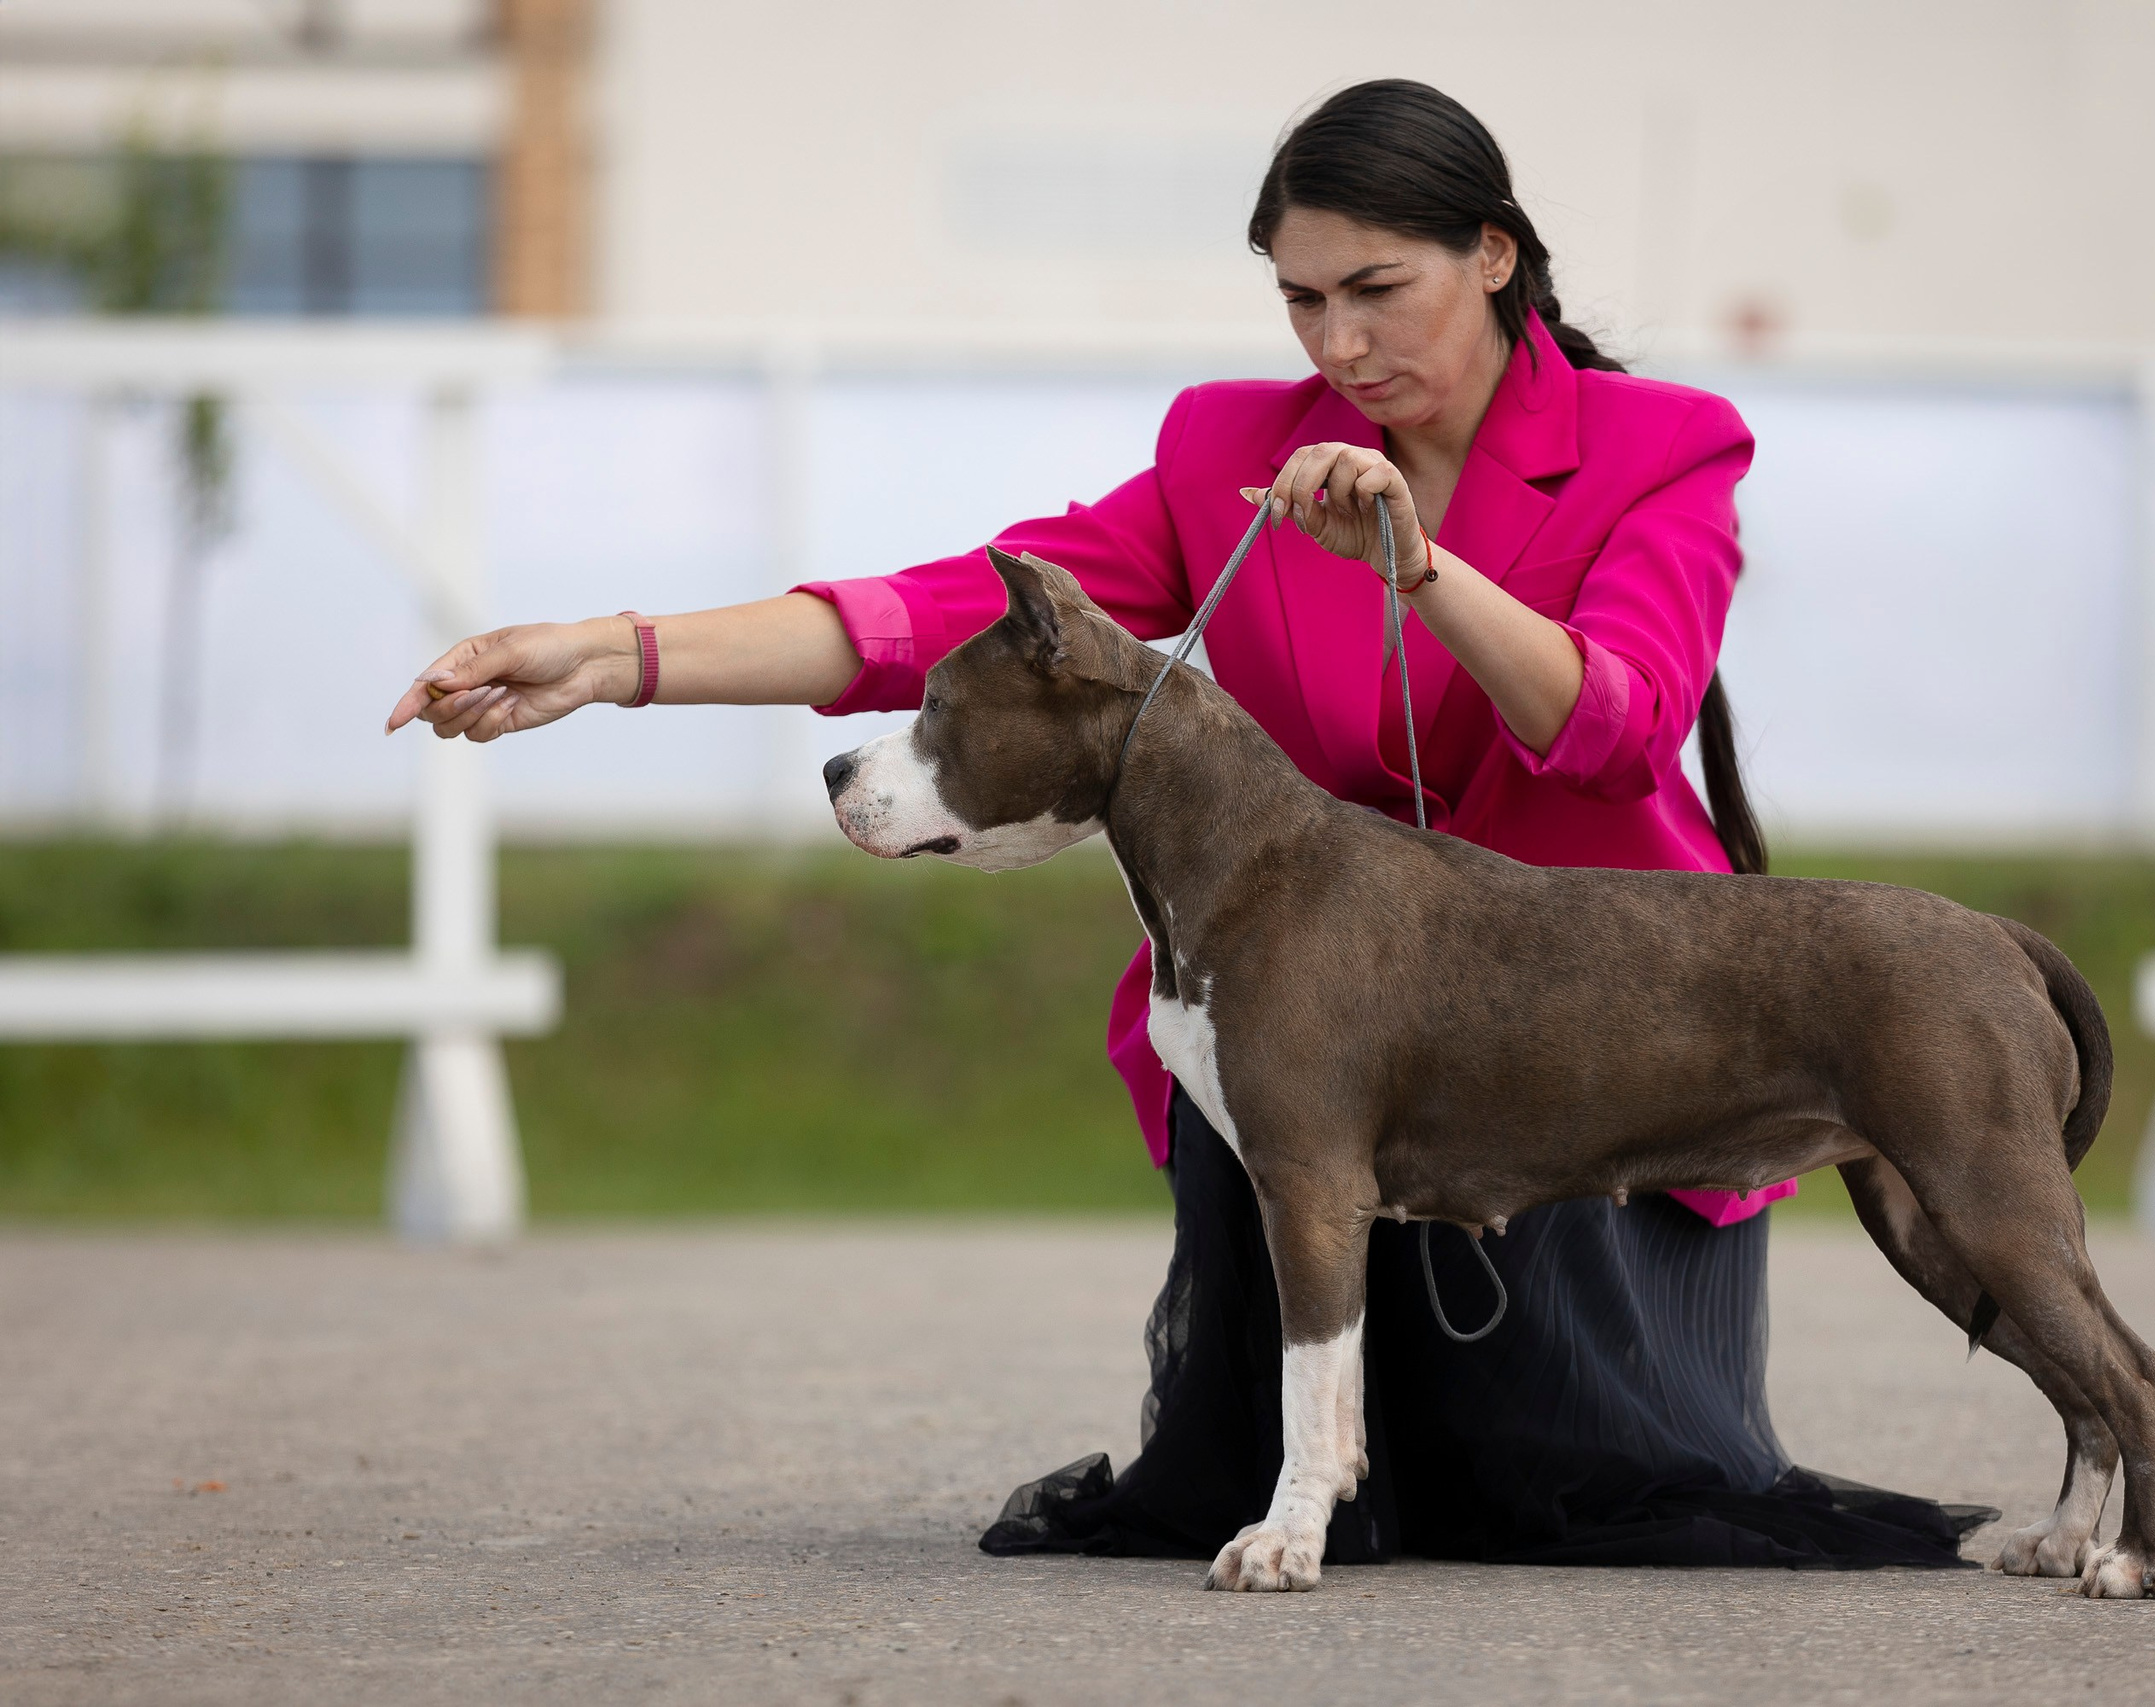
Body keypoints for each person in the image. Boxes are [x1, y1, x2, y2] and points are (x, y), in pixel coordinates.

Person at [387, 79, 1992, 1572]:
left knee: (1573, 1501)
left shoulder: (1662, 450)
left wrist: (1419, 570)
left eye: (1379, 289)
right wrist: (617, 654)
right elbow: (953, 614)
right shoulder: (1232, 450)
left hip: (1593, 1042)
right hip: (1302, 1040)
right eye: (1303, 299)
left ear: (1493, 255)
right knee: (1267, 1495)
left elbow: (1614, 724)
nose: (1340, 340)